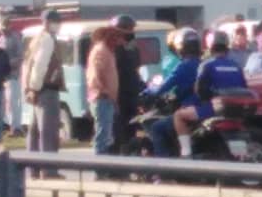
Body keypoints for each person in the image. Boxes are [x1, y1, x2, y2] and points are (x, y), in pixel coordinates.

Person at [173, 31, 247, 158]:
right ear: (227, 47)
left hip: (213, 109)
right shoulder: (236, 66)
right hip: (235, 111)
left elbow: (199, 89)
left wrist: (204, 99)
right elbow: (244, 88)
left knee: (178, 116)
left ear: (210, 47)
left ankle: (186, 154)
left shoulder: (207, 64)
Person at [146, 28, 202, 158]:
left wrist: (148, 91)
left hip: (189, 109)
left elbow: (163, 87)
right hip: (206, 109)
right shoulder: (204, 63)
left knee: (157, 128)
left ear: (180, 48)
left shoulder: (184, 66)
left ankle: (163, 168)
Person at [22, 9, 65, 178]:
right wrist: (34, 87)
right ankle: (49, 171)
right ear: (46, 22)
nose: (58, 24)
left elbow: (28, 65)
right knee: (48, 132)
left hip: (37, 89)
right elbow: (40, 66)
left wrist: (30, 88)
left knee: (35, 132)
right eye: (55, 21)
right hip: (46, 89)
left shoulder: (37, 39)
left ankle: (33, 169)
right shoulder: (47, 39)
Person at [111, 15, 143, 153]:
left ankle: (129, 158)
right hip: (119, 95)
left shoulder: (133, 48)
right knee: (118, 131)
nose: (132, 32)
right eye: (129, 29)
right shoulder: (113, 49)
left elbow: (136, 70)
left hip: (132, 94)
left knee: (132, 129)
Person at [86, 26, 119, 156]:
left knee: (106, 134)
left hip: (108, 98)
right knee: (102, 135)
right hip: (102, 98)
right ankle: (100, 170)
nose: (117, 40)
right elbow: (94, 74)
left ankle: (103, 166)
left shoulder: (108, 51)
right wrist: (103, 91)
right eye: (114, 36)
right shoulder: (100, 51)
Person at [1, 17, 25, 137]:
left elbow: (21, 57)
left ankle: (16, 128)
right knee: (4, 103)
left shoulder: (15, 38)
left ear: (10, 25)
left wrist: (8, 64)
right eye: (2, 25)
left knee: (14, 102)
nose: (4, 28)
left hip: (13, 76)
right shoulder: (0, 39)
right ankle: (6, 126)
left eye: (6, 25)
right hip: (0, 77)